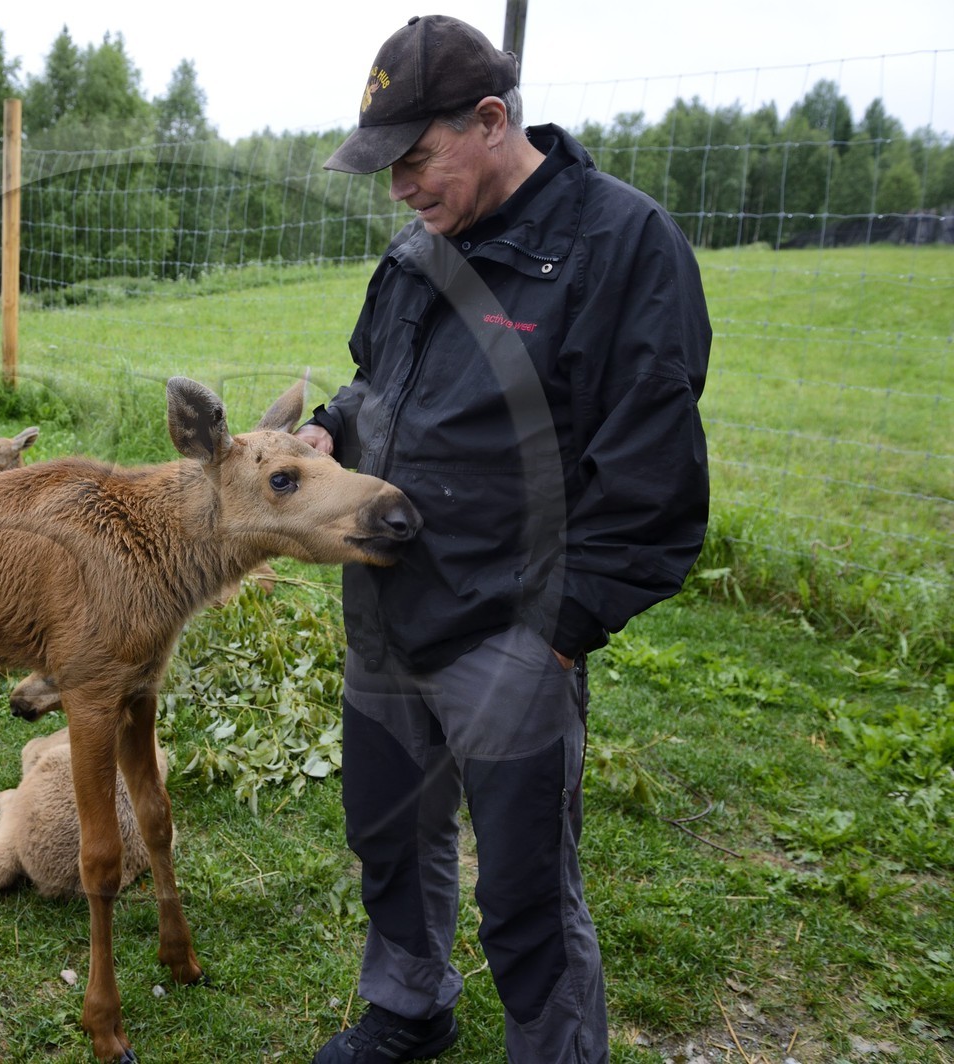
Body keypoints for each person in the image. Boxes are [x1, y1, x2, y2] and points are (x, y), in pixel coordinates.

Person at [297, 14, 711, 1064]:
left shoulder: (620, 245)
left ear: (490, 120)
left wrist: (558, 634)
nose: (400, 188)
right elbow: (377, 382)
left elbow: (652, 471)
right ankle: (408, 1006)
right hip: (387, 602)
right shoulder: (417, 248)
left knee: (526, 885)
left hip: (513, 631)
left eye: (415, 159)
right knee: (389, 832)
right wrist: (329, 429)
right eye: (386, 169)